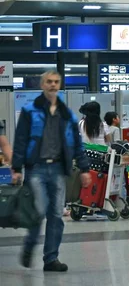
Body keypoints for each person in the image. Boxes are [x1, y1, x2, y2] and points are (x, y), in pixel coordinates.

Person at [12, 70, 92, 272]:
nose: (53, 85)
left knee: (56, 215)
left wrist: (84, 168)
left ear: (60, 85)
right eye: (49, 82)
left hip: (58, 169)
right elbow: (21, 140)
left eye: (56, 82)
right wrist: (16, 168)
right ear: (42, 84)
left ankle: (50, 259)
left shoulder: (67, 114)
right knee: (37, 212)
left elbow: (76, 143)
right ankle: (30, 246)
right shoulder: (30, 111)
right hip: (36, 168)